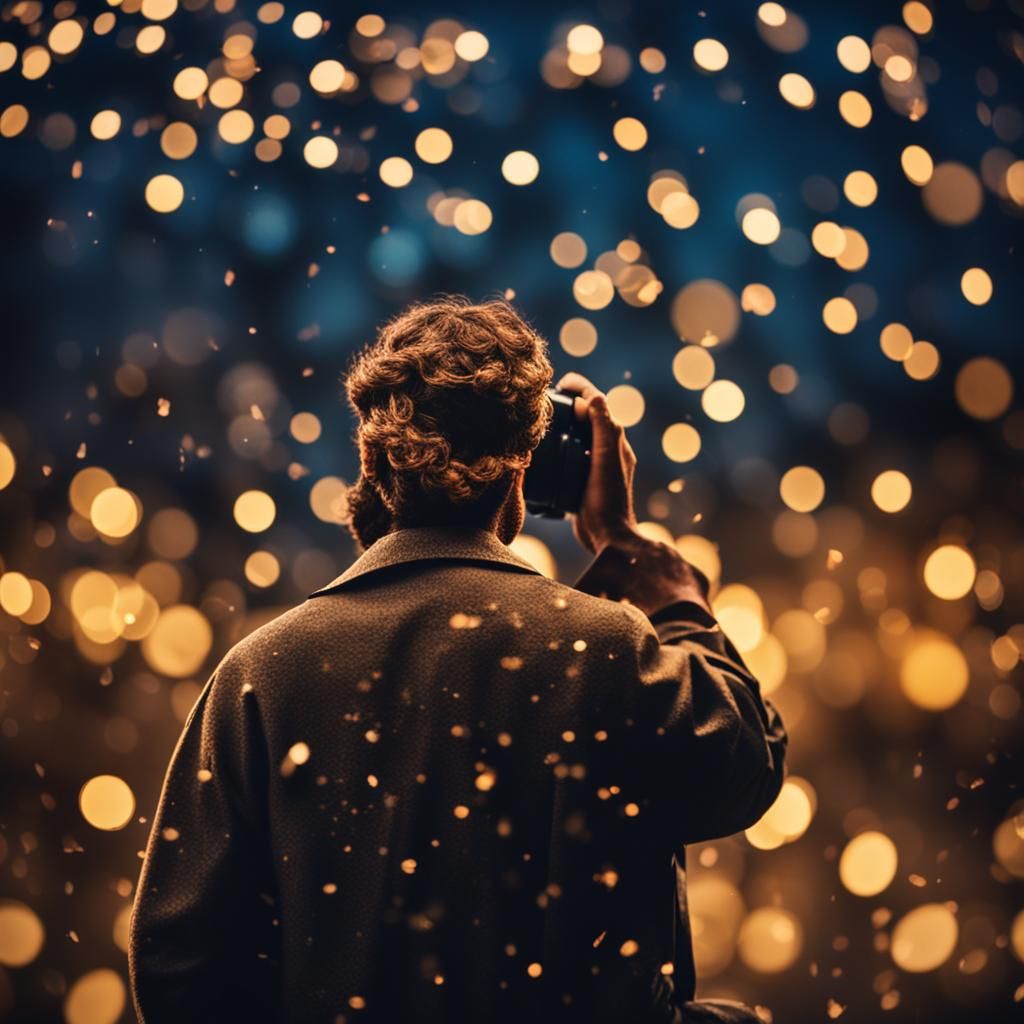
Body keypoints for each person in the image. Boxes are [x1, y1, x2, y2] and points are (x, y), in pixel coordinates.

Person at [128, 295, 787, 1023]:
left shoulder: (261, 673)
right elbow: (745, 765)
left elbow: (179, 969)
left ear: (374, 458)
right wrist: (665, 588)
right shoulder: (601, 652)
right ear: (523, 467)